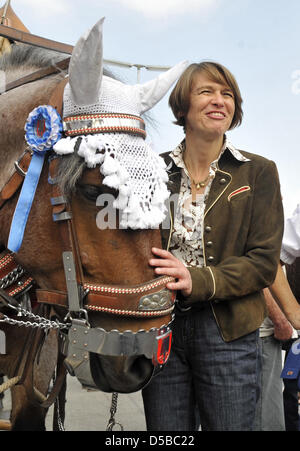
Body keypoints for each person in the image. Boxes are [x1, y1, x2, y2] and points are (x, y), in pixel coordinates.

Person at [142, 61, 284, 431]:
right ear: (181, 107)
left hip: (229, 331)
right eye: (206, 91)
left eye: (228, 94)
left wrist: (197, 280)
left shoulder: (258, 171)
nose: (220, 100)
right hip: (162, 326)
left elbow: (264, 263)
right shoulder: (151, 171)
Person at [254, 288, 294, 431]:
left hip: (265, 331)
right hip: (262, 332)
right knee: (266, 419)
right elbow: (258, 272)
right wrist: (280, 320)